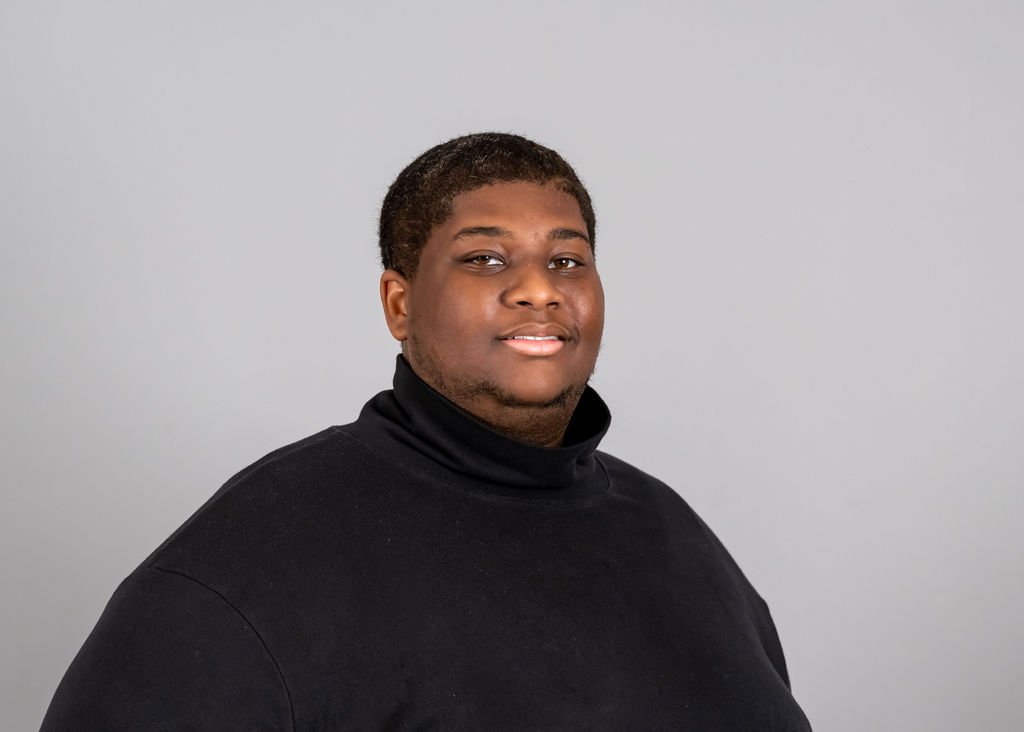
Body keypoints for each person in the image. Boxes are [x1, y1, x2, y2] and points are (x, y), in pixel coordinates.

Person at [42, 133, 811, 730]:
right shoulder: (243, 574)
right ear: (399, 304)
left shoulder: (681, 544)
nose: (539, 289)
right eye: (485, 258)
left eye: (567, 260)